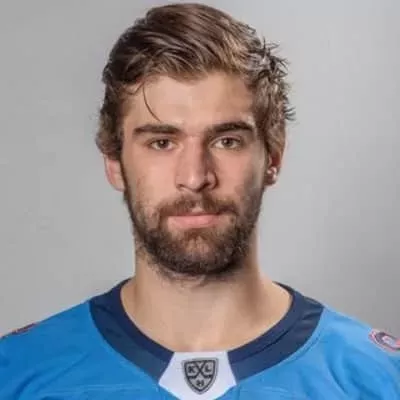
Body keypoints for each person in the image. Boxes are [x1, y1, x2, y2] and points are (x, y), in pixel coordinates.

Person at [1, 3, 399, 399]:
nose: (194, 178)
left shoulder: (379, 378)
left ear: (273, 157)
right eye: (162, 142)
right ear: (114, 161)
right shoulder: (16, 373)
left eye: (227, 141)